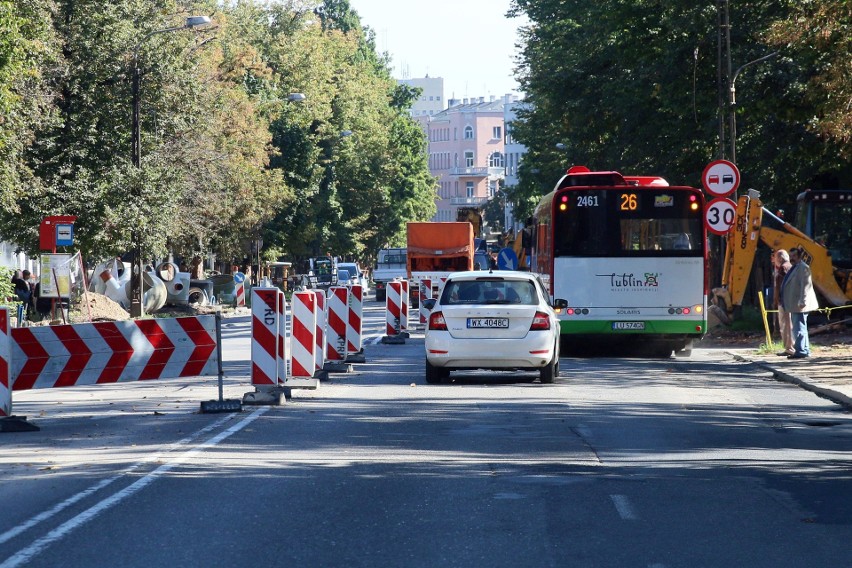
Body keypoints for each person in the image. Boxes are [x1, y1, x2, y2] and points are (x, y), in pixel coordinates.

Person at [780, 247, 819, 359]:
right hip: (795, 303)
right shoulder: (795, 267)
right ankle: (804, 350)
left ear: (799, 256)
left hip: (800, 304)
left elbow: (805, 286)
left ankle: (801, 351)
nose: (791, 258)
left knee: (798, 328)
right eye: (790, 256)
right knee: (800, 327)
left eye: (794, 256)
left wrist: (803, 301)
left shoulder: (803, 268)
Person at [772, 249, 794, 356]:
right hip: (791, 300)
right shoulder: (792, 267)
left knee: (785, 325)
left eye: (775, 258)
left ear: (780, 258)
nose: (774, 261)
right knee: (790, 324)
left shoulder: (782, 269)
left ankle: (788, 348)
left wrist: (776, 300)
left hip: (784, 301)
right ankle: (791, 346)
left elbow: (779, 287)